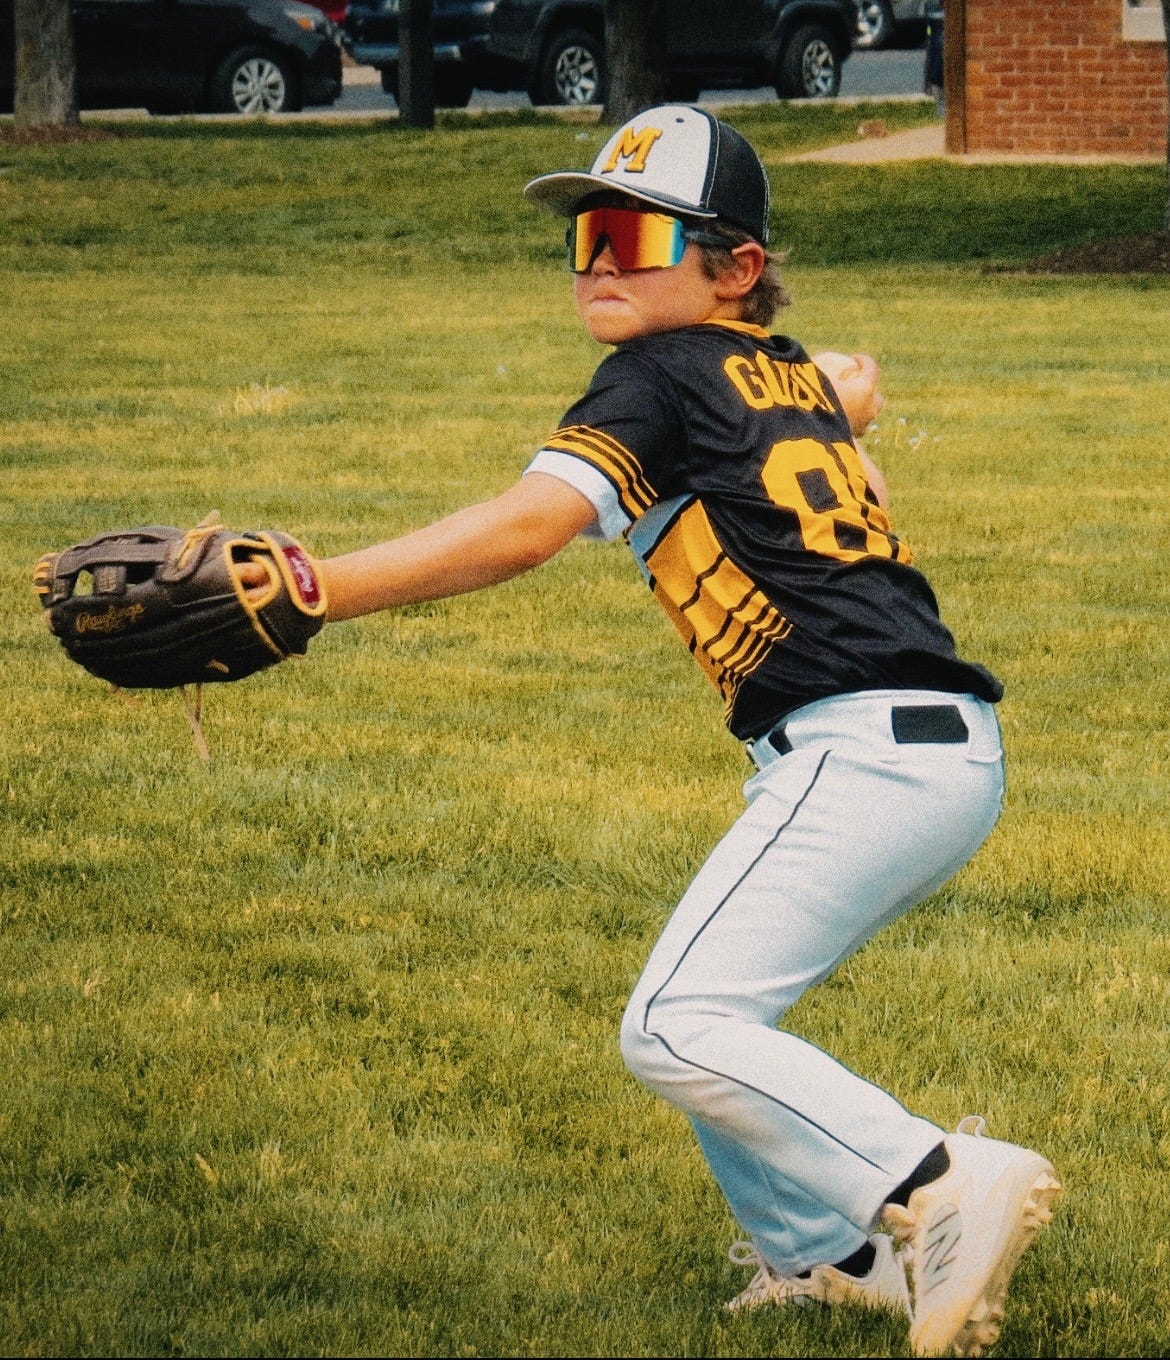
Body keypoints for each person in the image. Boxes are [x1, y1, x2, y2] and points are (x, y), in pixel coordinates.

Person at [297, 106, 1061, 1357]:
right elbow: (835, 393)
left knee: (673, 1025)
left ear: (735, 266)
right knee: (714, 1014)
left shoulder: (655, 377)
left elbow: (526, 529)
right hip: (929, 747)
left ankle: (933, 1179)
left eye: (636, 235)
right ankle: (824, 1262)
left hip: (864, 749)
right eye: (585, 234)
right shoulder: (777, 366)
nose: (600, 259)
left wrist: (316, 587)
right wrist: (845, 395)